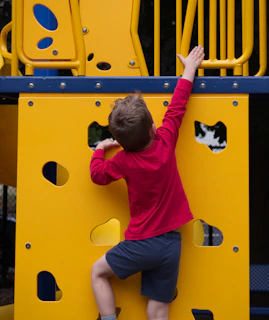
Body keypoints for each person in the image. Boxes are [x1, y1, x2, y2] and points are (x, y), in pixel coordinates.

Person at [90, 46, 205, 320]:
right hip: (171, 245)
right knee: (158, 308)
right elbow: (177, 106)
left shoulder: (123, 161)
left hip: (142, 243)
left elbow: (97, 175)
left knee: (98, 273)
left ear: (121, 140)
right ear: (153, 128)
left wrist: (100, 148)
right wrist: (189, 68)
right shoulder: (165, 141)